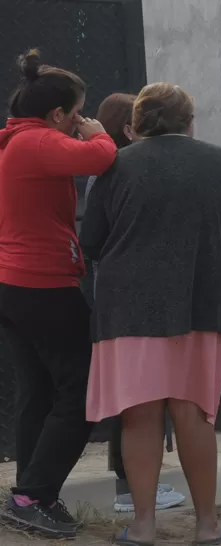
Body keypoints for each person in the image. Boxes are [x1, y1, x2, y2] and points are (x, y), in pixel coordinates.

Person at [81, 82, 221, 545]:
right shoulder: (219, 162)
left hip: (129, 311)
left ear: (135, 124)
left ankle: (142, 526)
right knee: (194, 414)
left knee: (139, 417)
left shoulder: (115, 166)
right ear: (189, 122)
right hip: (201, 305)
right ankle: (207, 525)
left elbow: (92, 242)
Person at [0, 49, 116, 540]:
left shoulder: (14, 140)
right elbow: (100, 157)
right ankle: (34, 494)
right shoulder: (38, 142)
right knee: (83, 391)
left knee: (38, 392)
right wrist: (101, 133)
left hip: (17, 282)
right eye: (77, 114)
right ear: (56, 114)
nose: (80, 122)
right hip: (41, 282)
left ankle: (28, 492)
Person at [86, 92, 188, 514]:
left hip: (131, 302)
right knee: (136, 402)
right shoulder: (114, 169)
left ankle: (137, 484)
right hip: (131, 305)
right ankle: (131, 487)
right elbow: (94, 240)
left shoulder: (122, 168)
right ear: (126, 128)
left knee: (142, 402)